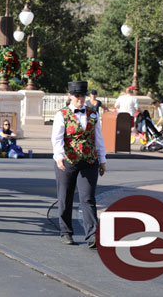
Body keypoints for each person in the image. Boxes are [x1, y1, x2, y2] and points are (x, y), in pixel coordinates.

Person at [51, 81, 106, 248]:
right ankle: (66, 232)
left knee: (88, 198)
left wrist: (102, 160)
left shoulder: (93, 114)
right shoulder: (62, 114)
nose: (80, 99)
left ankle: (92, 235)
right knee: (65, 197)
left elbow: (99, 138)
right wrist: (59, 157)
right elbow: (57, 138)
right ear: (70, 96)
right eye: (77, 96)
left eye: (82, 96)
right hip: (68, 161)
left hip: (89, 160)